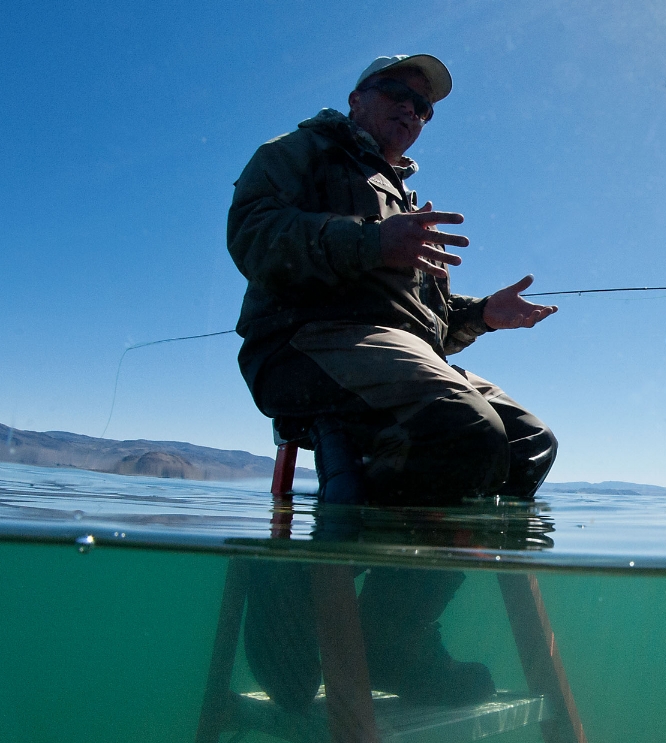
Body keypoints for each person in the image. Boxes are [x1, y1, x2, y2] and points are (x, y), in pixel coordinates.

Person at [227, 53, 559, 709]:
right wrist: (373, 241)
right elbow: (251, 234)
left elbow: (423, 329)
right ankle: (300, 586)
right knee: (467, 429)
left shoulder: (403, 198)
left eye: (425, 107)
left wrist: (481, 316)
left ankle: (391, 631)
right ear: (356, 98)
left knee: (528, 444)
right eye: (397, 93)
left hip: (394, 351)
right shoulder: (303, 151)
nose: (412, 110)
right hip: (307, 341)